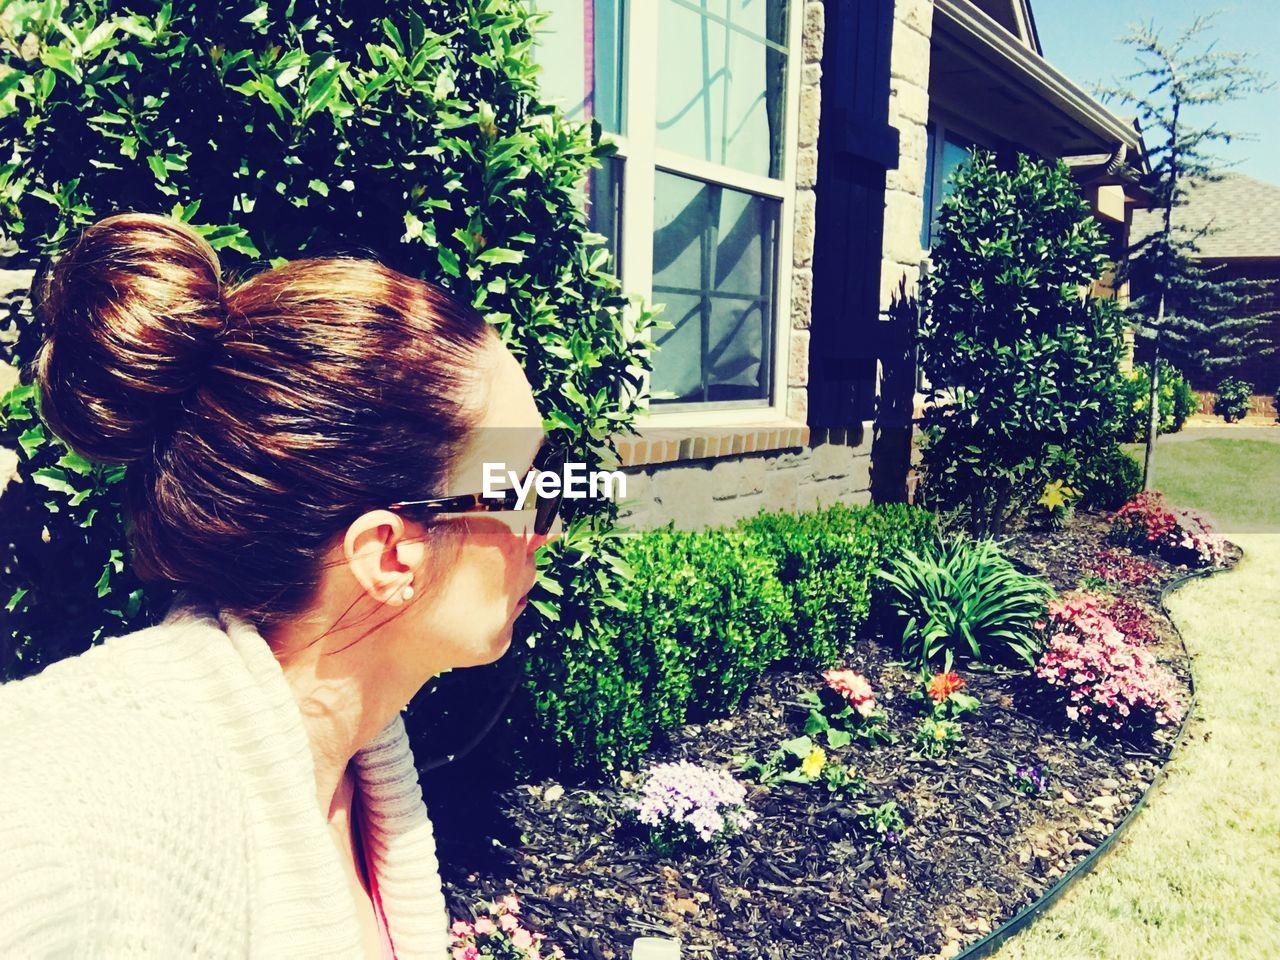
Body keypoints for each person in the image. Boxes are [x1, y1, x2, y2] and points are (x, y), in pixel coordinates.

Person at [0, 212, 563, 958]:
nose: (549, 528)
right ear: (390, 555)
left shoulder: (357, 769)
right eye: (522, 490)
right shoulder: (93, 798)